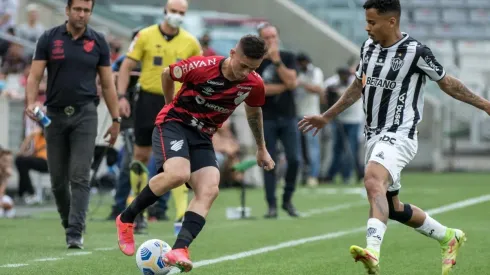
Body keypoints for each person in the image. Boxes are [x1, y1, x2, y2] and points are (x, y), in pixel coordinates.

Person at [299, 0, 490, 274]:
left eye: (372, 22)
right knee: (393, 206)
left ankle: (372, 253)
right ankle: (449, 236)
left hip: (400, 133)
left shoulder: (416, 52)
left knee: (372, 179)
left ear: (392, 21)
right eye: (366, 21)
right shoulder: (368, 48)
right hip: (374, 136)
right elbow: (358, 85)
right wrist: (327, 116)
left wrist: (484, 104)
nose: (367, 28)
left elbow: (448, 83)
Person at [115, 34, 275, 272]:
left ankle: (180, 248)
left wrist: (262, 149)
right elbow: (167, 74)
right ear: (232, 53)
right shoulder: (202, 67)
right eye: (243, 65)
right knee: (178, 174)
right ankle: (126, 218)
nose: (245, 72)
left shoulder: (253, 83)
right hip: (175, 123)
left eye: (252, 68)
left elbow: (253, 113)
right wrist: (169, 104)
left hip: (203, 135)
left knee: (210, 189)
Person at [25, 0, 121, 249]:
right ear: (67, 10)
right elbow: (35, 76)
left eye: (86, 10)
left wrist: (116, 119)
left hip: (85, 115)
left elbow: (108, 84)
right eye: (77, 9)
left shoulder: (98, 41)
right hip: (54, 116)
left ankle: (75, 232)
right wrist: (31, 101)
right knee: (58, 181)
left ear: (91, 13)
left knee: (79, 175)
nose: (81, 14)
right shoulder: (48, 38)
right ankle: (69, 221)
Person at [116, 0, 201, 226]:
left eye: (181, 12)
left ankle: (181, 213)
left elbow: (202, 74)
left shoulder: (191, 42)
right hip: (147, 100)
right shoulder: (145, 35)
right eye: (173, 11)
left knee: (179, 158)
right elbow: (126, 66)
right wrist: (121, 96)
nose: (177, 15)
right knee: (141, 155)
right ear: (165, 11)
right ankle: (139, 210)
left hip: (178, 103)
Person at [256, 22, 300, 218]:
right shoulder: (255, 62)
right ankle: (271, 205)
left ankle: (287, 199)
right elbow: (259, 89)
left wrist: (276, 61)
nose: (271, 41)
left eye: (273, 37)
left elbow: (293, 81)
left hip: (289, 116)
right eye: (266, 38)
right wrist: (285, 86)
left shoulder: (288, 57)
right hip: (266, 118)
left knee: (295, 159)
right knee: (269, 162)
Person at [324, 67, 364, 184]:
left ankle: (350, 174)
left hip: (354, 119)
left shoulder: (356, 80)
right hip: (339, 119)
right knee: (337, 148)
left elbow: (356, 95)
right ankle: (332, 174)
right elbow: (324, 94)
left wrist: (339, 93)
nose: (344, 77)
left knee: (352, 148)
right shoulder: (332, 82)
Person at [295, 52, 324, 187]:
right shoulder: (296, 72)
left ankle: (313, 175)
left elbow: (317, 89)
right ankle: (301, 175)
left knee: (313, 148)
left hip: (312, 115)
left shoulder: (316, 72)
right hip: (297, 114)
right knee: (299, 149)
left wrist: (301, 83)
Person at [15, 124, 48, 204]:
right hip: (41, 160)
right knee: (21, 162)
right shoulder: (38, 136)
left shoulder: (49, 132)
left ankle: (27, 193)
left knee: (20, 161)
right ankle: (25, 193)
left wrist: (31, 135)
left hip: (49, 163)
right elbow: (35, 152)